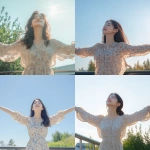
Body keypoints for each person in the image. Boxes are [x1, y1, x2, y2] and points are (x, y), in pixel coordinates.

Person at [0, 11, 75, 75]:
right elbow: (5, 49)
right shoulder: (23, 43)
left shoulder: (53, 43)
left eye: (41, 18)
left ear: (45, 24)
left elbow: (70, 49)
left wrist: (84, 49)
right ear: (31, 24)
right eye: (35, 17)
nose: (38, 18)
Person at [75, 93, 150, 150]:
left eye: (113, 97)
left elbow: (138, 115)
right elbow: (87, 116)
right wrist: (76, 108)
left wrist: (148, 108)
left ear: (118, 104)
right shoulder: (100, 119)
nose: (109, 98)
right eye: (108, 97)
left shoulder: (124, 119)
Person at [75, 20, 150, 75]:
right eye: (104, 24)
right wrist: (72, 49)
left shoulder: (120, 46)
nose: (104, 26)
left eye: (108, 25)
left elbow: (137, 49)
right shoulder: (97, 47)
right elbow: (83, 51)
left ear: (115, 30)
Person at [0, 98, 75, 150]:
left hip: (43, 147)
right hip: (31, 147)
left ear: (42, 107)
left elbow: (60, 114)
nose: (37, 103)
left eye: (39, 102)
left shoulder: (47, 120)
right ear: (32, 108)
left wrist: (74, 108)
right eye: (34, 103)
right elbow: (14, 114)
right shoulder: (28, 120)